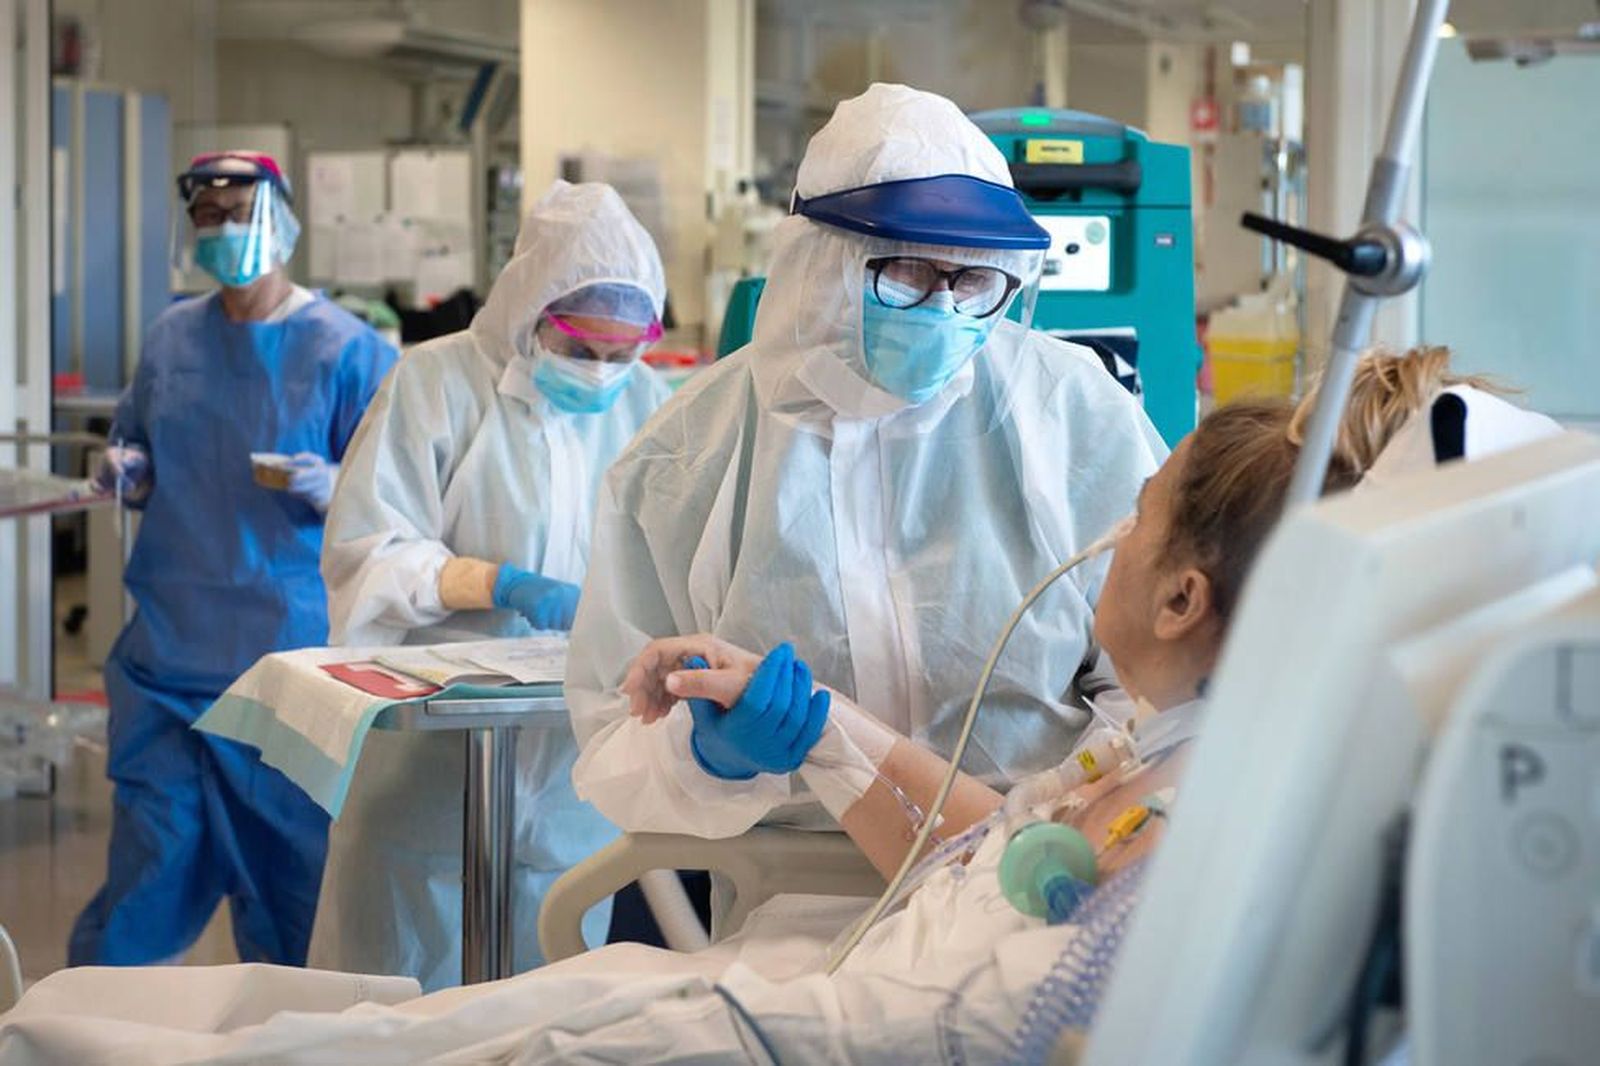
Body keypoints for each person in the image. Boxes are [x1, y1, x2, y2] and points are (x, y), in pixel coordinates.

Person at [2, 383, 1373, 1064]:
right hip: (803, 972)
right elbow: (993, 847)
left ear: (1187, 592)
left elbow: (948, 1014)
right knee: (410, 1015)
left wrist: (735, 1004)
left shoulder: (1189, 831)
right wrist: (821, 729)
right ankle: (80, 1024)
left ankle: (63, 1038)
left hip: (792, 1017)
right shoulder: (1165, 754)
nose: (1108, 537)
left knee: (449, 1036)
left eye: (1135, 519)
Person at [565, 83, 1168, 842]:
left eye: (974, 279)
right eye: (907, 272)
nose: (945, 308)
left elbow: (1163, 670)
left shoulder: (1069, 412)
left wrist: (1063, 811)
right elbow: (612, 737)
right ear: (821, 260)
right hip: (788, 895)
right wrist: (705, 755)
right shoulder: (686, 454)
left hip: (1041, 866)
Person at [309, 180, 673, 991]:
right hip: (431, 769)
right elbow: (367, 552)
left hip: (577, 760)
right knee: (402, 1001)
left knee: (547, 997)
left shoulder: (647, 402)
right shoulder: (438, 385)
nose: (604, 372)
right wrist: (496, 583)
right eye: (583, 349)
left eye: (624, 353)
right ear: (531, 313)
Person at [68, 152, 398, 968]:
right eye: (206, 216)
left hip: (289, 675)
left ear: (281, 222)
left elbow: (401, 505)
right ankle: (91, 1034)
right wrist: (128, 466)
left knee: (293, 887)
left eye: (235, 213)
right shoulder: (173, 335)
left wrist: (338, 489)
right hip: (169, 663)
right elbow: (137, 436)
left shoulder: (349, 351)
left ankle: (289, 1038)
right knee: (151, 862)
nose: (219, 229)